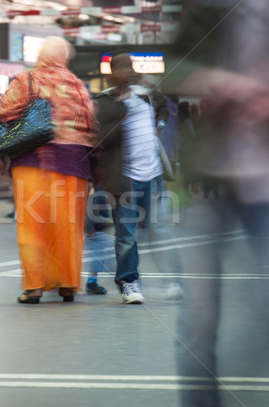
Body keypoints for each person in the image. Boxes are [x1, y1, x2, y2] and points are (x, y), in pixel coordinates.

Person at [162, 1, 269, 406]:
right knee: (199, 323)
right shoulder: (213, 7)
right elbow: (171, 69)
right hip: (210, 177)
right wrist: (223, 83)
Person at [0, 36, 98, 304]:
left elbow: (6, 114)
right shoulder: (77, 85)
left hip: (32, 162)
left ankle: (34, 288)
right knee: (68, 227)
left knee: (32, 226)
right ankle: (68, 285)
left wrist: (0, 155)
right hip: (74, 165)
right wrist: (95, 165)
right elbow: (92, 126)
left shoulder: (25, 80)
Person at [93, 53, 170, 304]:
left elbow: (163, 106)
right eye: (122, 70)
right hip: (123, 178)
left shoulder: (146, 94)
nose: (128, 74)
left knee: (156, 228)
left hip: (152, 174)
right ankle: (128, 282)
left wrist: (158, 122)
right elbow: (103, 138)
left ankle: (171, 280)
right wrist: (124, 109)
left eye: (130, 68)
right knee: (126, 234)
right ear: (113, 75)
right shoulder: (105, 102)